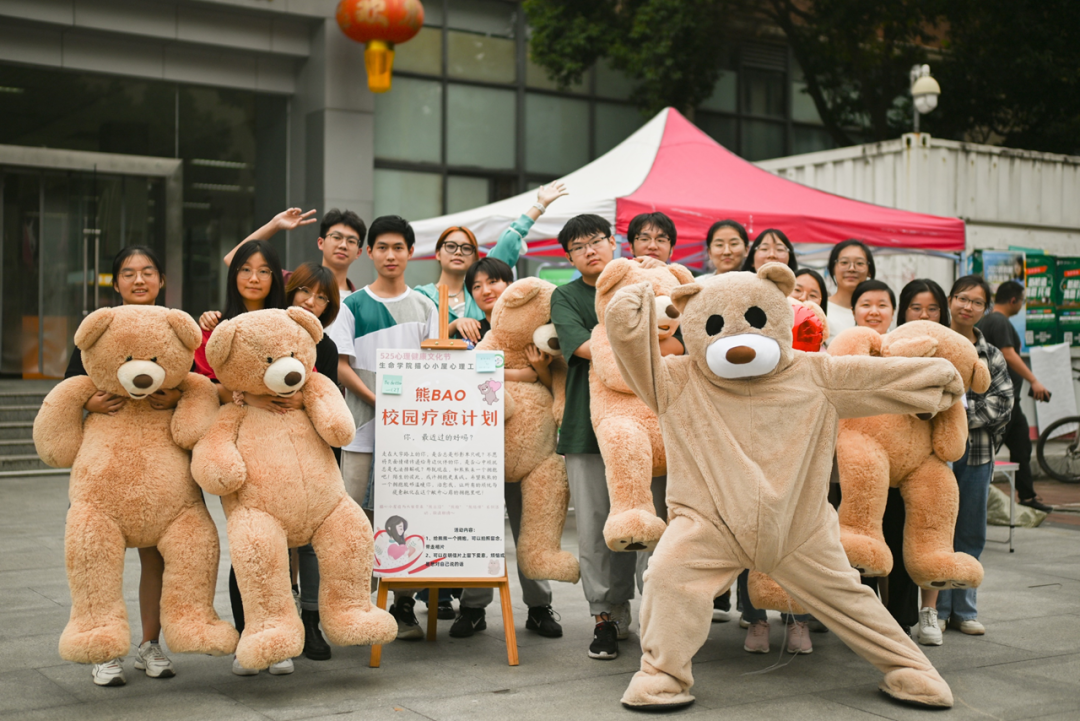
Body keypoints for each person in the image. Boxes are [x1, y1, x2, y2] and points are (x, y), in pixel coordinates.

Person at [63, 246, 181, 687]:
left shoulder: (172, 324)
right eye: (129, 273)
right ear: (116, 283)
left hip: (159, 463)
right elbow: (71, 384)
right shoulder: (100, 326)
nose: (139, 280)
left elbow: (195, 381)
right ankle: (104, 648)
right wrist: (88, 402)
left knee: (157, 557)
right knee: (98, 557)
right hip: (106, 464)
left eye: (148, 272)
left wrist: (179, 396)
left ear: (161, 280)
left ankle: (150, 644)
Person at [328, 215, 438, 641]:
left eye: (398, 247)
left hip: (410, 437)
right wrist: (380, 401)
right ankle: (353, 605)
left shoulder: (426, 306)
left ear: (410, 252)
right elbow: (341, 366)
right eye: (382, 248)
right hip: (361, 430)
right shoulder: (351, 306)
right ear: (369, 253)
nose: (390, 255)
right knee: (354, 520)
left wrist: (404, 411)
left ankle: (403, 604)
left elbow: (436, 367)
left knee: (404, 519)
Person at [194, 240, 296, 676]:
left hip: (284, 443)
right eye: (245, 269)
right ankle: (249, 637)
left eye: (264, 270)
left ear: (276, 278)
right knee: (249, 544)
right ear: (233, 275)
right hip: (238, 445)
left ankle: (281, 639)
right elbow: (202, 385)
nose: (254, 278)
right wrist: (244, 394)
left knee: (281, 545)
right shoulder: (217, 327)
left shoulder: (287, 322)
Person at [449, 256, 563, 639]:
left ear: (512, 287)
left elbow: (549, 378)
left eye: (493, 281)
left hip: (529, 450)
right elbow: (464, 374)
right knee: (478, 528)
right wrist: (521, 372)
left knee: (530, 524)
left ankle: (539, 605)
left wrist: (535, 371)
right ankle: (473, 606)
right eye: (477, 286)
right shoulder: (472, 330)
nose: (486, 290)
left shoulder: (535, 326)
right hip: (480, 448)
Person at [938, 276, 1014, 637]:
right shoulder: (935, 343)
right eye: (962, 298)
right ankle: (937, 608)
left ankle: (965, 610)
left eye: (977, 302)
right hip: (937, 453)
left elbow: (1003, 403)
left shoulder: (991, 354)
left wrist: (955, 414)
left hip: (978, 453)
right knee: (938, 531)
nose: (967, 307)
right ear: (950, 300)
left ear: (986, 309)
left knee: (970, 531)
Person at [417, 183, 568, 345]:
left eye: (466, 248)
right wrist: (454, 326)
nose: (458, 252)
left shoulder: (481, 290)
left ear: (475, 257)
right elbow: (416, 340)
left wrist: (540, 205)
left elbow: (509, 239)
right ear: (438, 253)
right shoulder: (422, 296)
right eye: (451, 246)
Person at [896, 278, 952, 645]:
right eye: (916, 308)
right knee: (897, 535)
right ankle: (896, 616)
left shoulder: (950, 350)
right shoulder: (892, 346)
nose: (924, 315)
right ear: (904, 311)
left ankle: (930, 611)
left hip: (935, 455)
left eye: (932, 308)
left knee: (933, 533)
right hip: (897, 456)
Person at [977, 281, 1054, 513]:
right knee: (987, 452)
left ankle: (1027, 496)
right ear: (1013, 301)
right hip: (999, 401)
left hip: (1011, 402)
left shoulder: (987, 320)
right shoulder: (999, 321)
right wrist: (1034, 380)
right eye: (1022, 300)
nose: (1021, 305)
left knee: (1021, 448)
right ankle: (976, 499)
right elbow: (1008, 353)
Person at [223, 207, 365, 297]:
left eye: (351, 241)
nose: (343, 245)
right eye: (336, 237)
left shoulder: (359, 302)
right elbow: (232, 259)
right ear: (320, 243)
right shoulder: (291, 282)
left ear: (359, 253)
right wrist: (274, 225)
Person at [826, 239, 876, 339]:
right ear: (833, 268)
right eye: (844, 262)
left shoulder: (876, 312)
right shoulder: (822, 309)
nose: (852, 268)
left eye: (859, 263)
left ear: (869, 271)